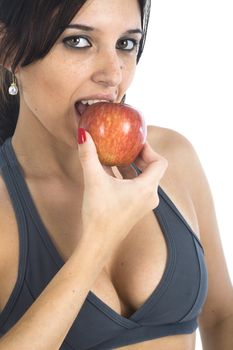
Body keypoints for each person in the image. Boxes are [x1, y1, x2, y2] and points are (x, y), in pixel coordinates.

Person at [0, 0, 232, 349]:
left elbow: (220, 315)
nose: (113, 74)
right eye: (78, 41)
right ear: (9, 49)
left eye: (126, 44)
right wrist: (99, 239)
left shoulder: (173, 158)